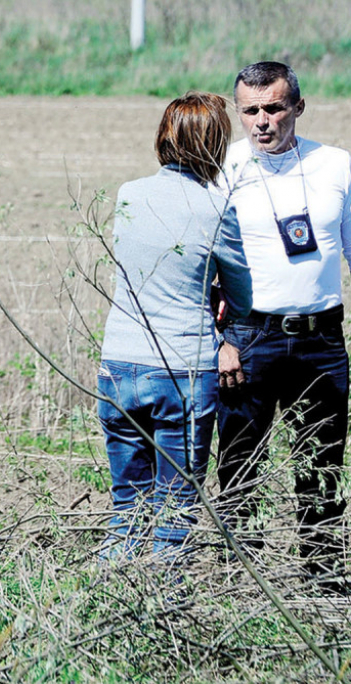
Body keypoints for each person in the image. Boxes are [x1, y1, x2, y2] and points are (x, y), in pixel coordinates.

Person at [216, 61, 351, 584]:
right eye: (250, 111)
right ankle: (239, 586)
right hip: (249, 338)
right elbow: (200, 264)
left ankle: (324, 585)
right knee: (239, 466)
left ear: (298, 107)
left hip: (321, 340)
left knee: (322, 466)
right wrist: (220, 340)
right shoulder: (223, 168)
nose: (262, 121)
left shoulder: (335, 164)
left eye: (273, 108)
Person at [98, 92, 253, 563]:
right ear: (216, 144)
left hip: (119, 364)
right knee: (175, 511)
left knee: (127, 504)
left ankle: (105, 604)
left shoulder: (129, 193)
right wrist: (220, 299)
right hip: (183, 369)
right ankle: (168, 620)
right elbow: (243, 294)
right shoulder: (217, 206)